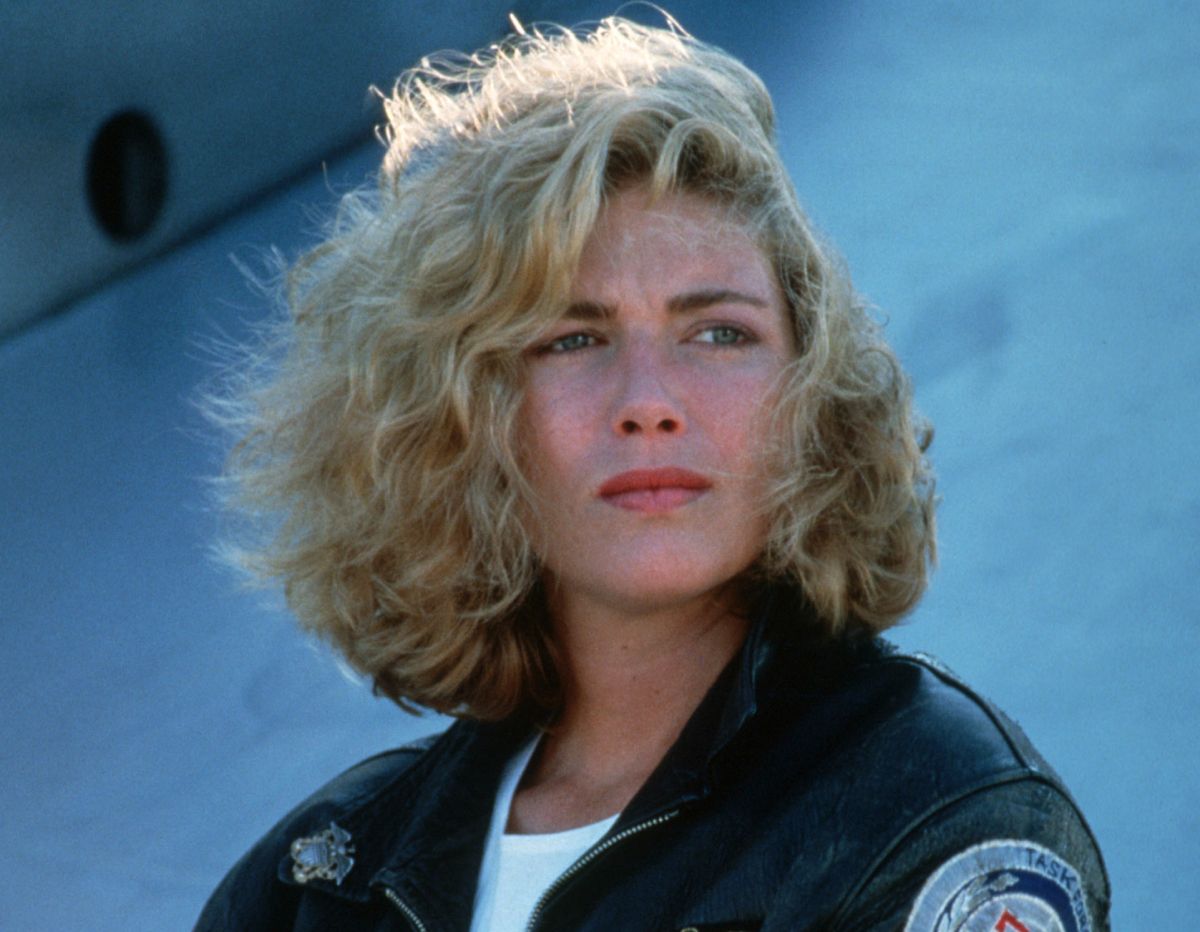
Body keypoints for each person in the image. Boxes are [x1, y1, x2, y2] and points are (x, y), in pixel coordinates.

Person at [196, 15, 1109, 932]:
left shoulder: (933, 819)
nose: (648, 402)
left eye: (719, 334)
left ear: (811, 401)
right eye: (573, 339)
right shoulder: (324, 875)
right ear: (462, 418)